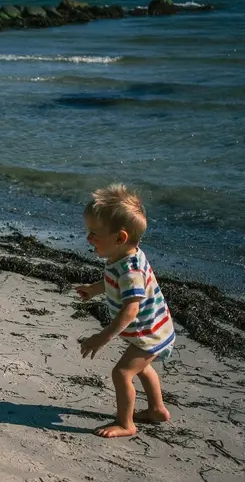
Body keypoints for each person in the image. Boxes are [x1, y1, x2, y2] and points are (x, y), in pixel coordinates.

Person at [75, 184, 175, 438]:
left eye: (95, 233)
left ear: (120, 237)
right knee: (141, 368)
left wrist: (103, 336)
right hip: (157, 327)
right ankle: (157, 409)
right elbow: (112, 282)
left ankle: (126, 424)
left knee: (122, 372)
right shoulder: (121, 257)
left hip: (150, 332)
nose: (89, 238)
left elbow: (131, 310)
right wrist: (94, 289)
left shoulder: (130, 271)